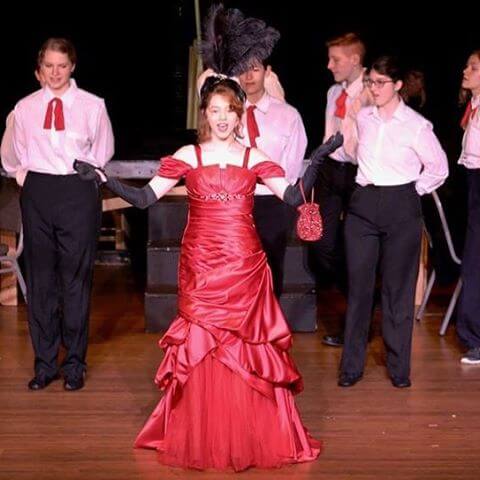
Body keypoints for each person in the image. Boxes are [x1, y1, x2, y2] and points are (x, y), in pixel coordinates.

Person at [75, 76, 342, 470]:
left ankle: (249, 433)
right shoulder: (189, 155)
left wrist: (317, 160)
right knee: (202, 344)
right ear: (204, 114)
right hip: (201, 265)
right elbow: (146, 198)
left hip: (243, 264)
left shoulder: (252, 156)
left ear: (239, 115)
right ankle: (203, 432)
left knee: (245, 344)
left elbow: (291, 196)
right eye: (214, 110)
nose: (221, 118)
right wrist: (104, 179)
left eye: (229, 111)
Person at [338, 55, 448, 389]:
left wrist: (411, 191)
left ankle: (399, 369)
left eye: (380, 83)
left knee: (397, 291)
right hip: (363, 204)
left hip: (401, 204)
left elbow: (439, 168)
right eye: (370, 82)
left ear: (397, 85)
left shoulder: (416, 125)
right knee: (358, 288)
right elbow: (353, 154)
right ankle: (351, 367)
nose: (373, 88)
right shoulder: (364, 117)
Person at [11, 38, 114, 391]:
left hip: (76, 190)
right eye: (49, 66)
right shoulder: (24, 108)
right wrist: (29, 180)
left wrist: (83, 178)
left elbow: (102, 151)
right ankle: (44, 365)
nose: (55, 73)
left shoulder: (92, 106)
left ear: (72, 67)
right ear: (40, 69)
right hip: (39, 191)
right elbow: (17, 154)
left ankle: (73, 365)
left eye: (62, 66)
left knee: (75, 279)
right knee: (41, 280)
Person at [308, 32, 372, 347]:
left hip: (360, 173)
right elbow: (329, 134)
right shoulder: (334, 92)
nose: (329, 65)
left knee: (357, 249)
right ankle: (359, 295)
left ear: (355, 60)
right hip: (332, 170)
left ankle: (357, 324)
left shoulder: (374, 90)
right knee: (321, 244)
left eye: (336, 59)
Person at [238, 59, 307, 298]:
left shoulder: (287, 114)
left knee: (271, 266)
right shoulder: (229, 112)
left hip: (272, 199)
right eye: (242, 70)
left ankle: (269, 317)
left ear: (267, 72)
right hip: (237, 200)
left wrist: (278, 189)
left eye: (255, 69)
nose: (248, 76)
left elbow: (294, 161)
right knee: (238, 267)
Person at [456, 49, 480, 365]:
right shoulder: (473, 106)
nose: (466, 70)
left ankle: (475, 338)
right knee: (473, 261)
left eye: (473, 67)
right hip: (473, 181)